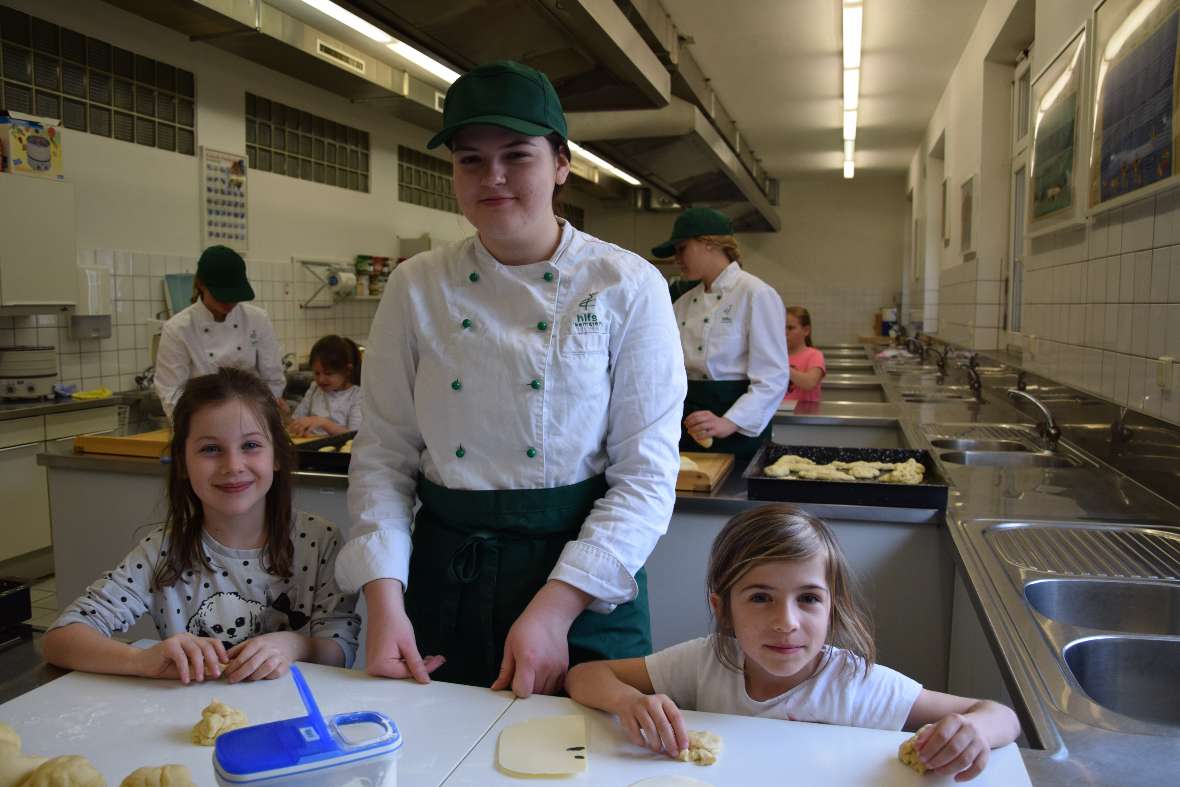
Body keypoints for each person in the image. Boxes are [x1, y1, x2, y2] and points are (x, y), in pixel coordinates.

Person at [339, 61, 687, 697]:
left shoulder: (626, 285)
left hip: (586, 584)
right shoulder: (417, 286)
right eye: (470, 160)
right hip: (447, 577)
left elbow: (646, 475)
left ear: (561, 163)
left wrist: (555, 609)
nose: (492, 177)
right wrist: (383, 602)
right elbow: (384, 455)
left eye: (516, 156)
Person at [567, 504, 1020, 781]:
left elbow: (1000, 715)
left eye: (808, 599)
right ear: (722, 609)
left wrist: (973, 732)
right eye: (760, 597)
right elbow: (584, 676)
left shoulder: (856, 683)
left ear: (832, 608)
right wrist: (628, 701)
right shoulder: (707, 661)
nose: (786, 622)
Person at [42, 368, 360, 684]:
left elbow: (341, 650)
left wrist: (295, 644)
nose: (233, 466)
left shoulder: (319, 541)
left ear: (277, 455)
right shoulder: (162, 552)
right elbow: (61, 638)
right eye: (210, 449)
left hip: (294, 719)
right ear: (182, 463)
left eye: (250, 445)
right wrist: (141, 660)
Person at [651, 209, 789, 462]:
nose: (676, 259)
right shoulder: (682, 303)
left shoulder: (755, 294)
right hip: (688, 422)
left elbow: (773, 378)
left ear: (709, 243)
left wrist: (729, 422)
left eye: (682, 248)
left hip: (737, 428)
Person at [155, 245, 287, 419]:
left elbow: (273, 378)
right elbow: (171, 392)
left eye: (235, 295)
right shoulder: (178, 329)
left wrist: (264, 415)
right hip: (203, 422)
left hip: (254, 418)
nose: (229, 301)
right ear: (201, 284)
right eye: (221, 295)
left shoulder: (257, 319)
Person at [288, 335, 363, 437]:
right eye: (317, 373)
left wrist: (323, 422)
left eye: (328, 373)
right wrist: (286, 414)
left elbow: (355, 436)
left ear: (347, 370)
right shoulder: (314, 388)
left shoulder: (357, 395)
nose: (321, 379)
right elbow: (297, 421)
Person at [784, 306, 826, 403]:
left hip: (805, 415)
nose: (784, 333)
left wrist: (781, 366)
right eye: (782, 328)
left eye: (790, 328)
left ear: (806, 330)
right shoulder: (777, 355)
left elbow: (809, 383)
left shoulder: (815, 355)